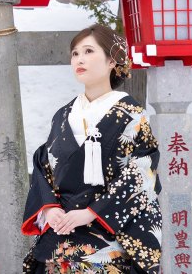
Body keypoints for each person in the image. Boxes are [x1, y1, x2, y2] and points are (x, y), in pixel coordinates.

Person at [22, 24, 163, 274]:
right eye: (75, 53)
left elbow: (142, 172)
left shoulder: (130, 114)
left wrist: (91, 213)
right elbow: (44, 165)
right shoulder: (63, 114)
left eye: (88, 51)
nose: (79, 59)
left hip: (106, 237)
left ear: (112, 60)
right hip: (61, 232)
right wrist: (50, 208)